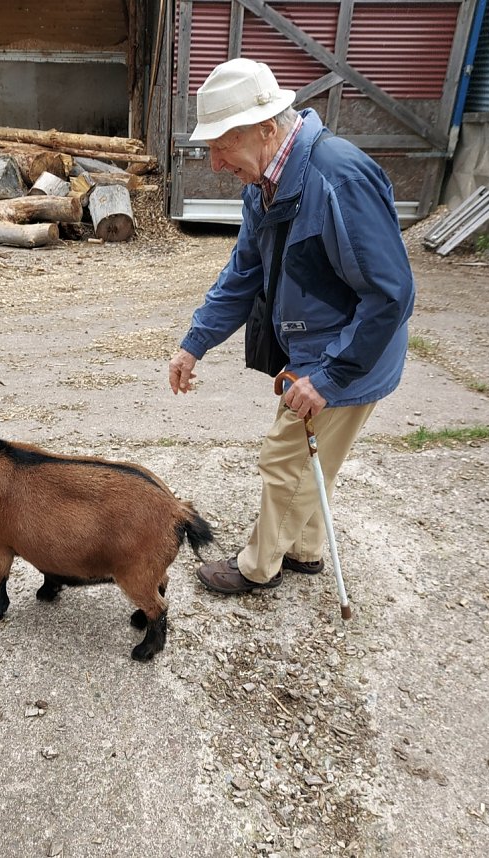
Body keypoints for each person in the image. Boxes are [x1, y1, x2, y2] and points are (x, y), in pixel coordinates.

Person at [168, 58, 415, 596]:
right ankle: (305, 551)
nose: (214, 163)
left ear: (265, 127)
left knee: (283, 458)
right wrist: (195, 343)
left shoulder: (337, 178)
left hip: (351, 354)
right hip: (317, 351)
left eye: (221, 145)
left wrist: (328, 377)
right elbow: (243, 273)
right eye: (209, 147)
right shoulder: (266, 183)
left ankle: (258, 567)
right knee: (314, 455)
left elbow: (391, 294)